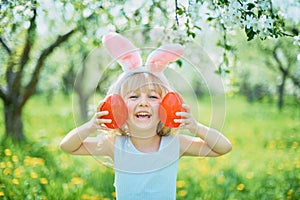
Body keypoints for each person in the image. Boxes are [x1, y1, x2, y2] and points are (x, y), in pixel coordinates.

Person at [60, 32, 232, 200]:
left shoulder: (175, 144)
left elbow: (223, 147)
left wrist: (196, 127)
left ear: (165, 107)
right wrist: (91, 126)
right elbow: (68, 146)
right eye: (134, 97)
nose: (143, 102)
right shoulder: (115, 145)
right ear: (119, 107)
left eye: (153, 97)